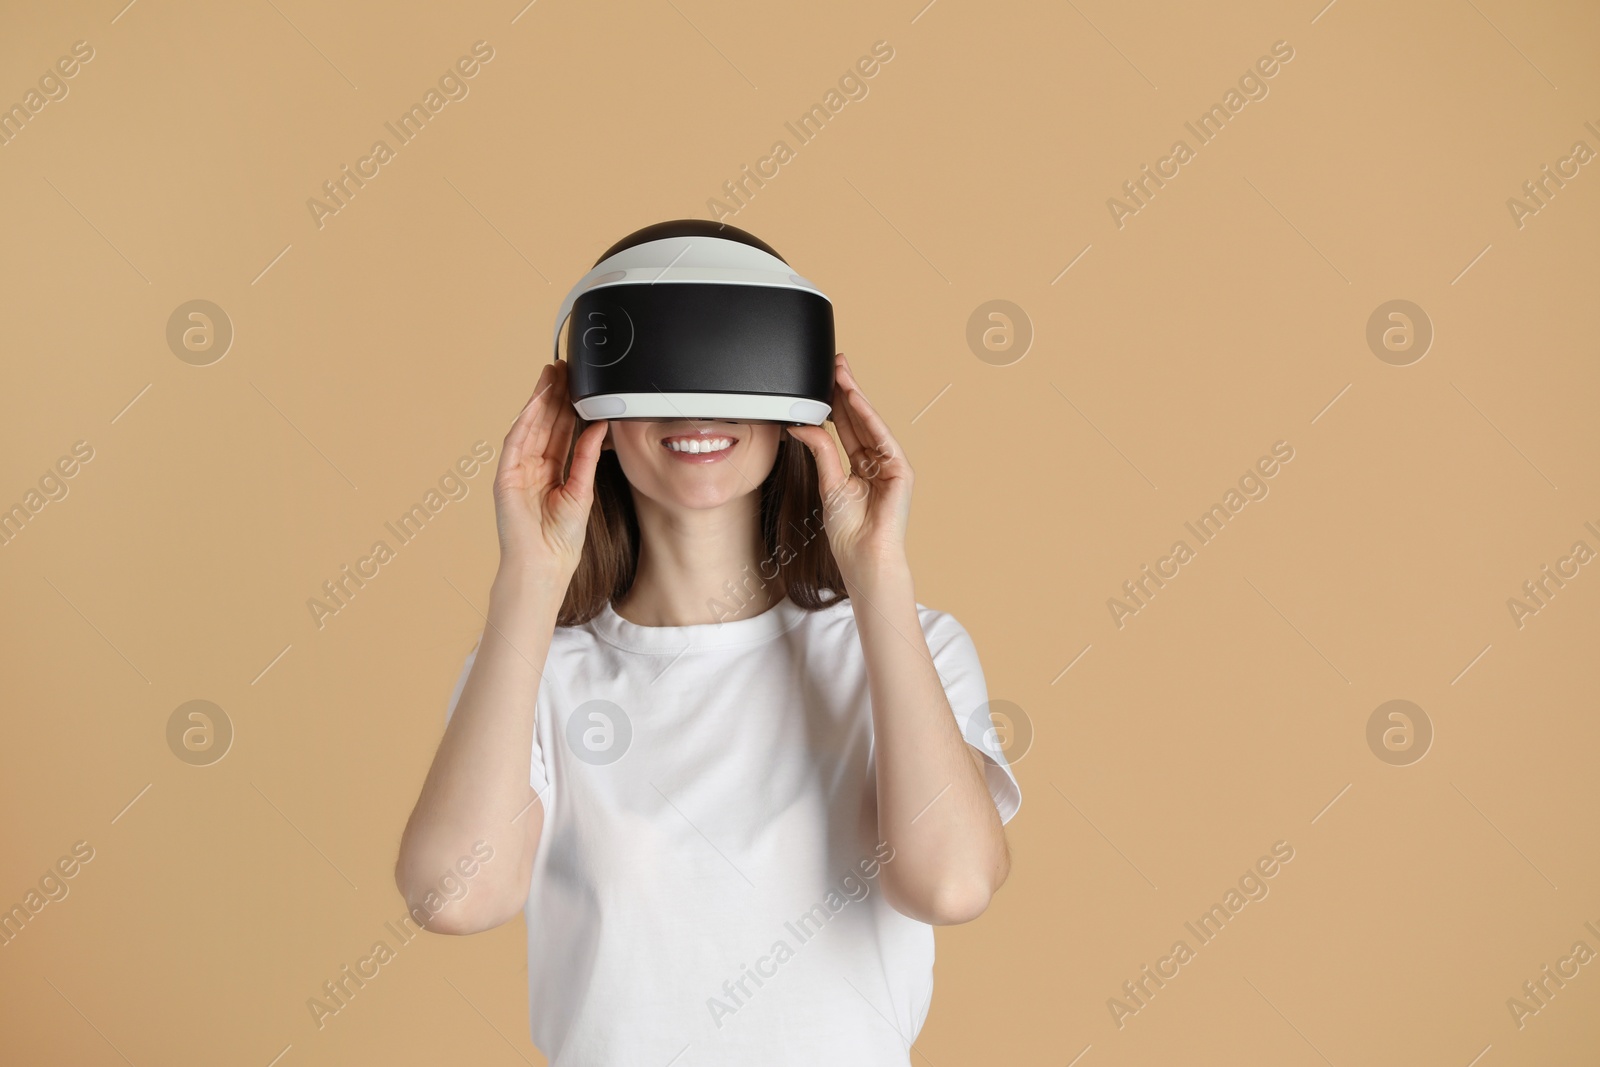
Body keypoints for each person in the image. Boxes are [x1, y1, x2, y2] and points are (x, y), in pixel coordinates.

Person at [395, 224, 1021, 1066]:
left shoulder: (909, 644)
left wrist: (878, 573)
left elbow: (950, 882)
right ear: (593, 403)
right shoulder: (537, 672)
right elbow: (452, 894)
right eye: (655, 372)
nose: (696, 409)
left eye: (730, 363)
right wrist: (528, 581)